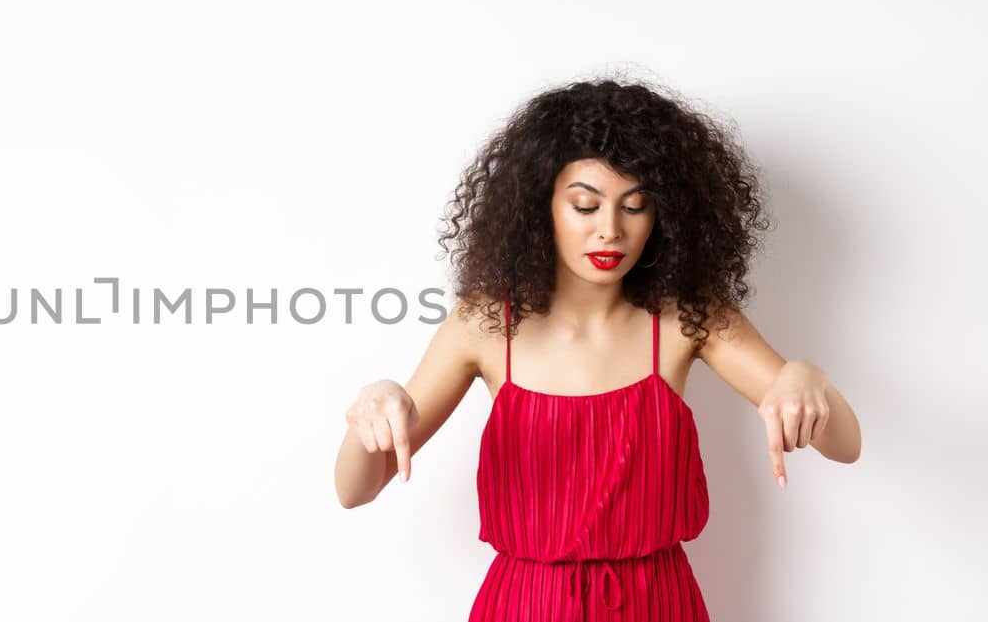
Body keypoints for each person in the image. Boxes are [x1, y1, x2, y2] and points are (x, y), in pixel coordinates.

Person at [332, 78, 863, 621]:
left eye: (635, 207)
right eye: (586, 206)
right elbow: (355, 490)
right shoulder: (485, 325)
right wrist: (375, 403)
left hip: (659, 606)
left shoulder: (689, 319)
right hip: (525, 606)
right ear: (543, 207)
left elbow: (845, 446)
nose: (610, 230)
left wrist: (804, 375)